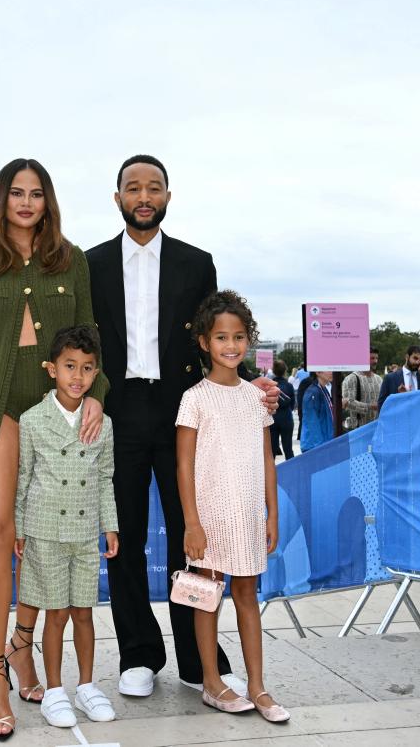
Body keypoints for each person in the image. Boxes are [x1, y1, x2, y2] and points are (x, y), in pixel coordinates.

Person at [86, 154, 276, 700]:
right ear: (117, 196)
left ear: (168, 197)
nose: (143, 196)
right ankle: (138, 654)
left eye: (154, 188)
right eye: (133, 187)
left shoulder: (198, 263)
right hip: (118, 409)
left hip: (182, 411)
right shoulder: (91, 263)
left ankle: (199, 660)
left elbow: (218, 338)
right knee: (124, 536)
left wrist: (252, 384)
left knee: (195, 539)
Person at [0, 157, 110, 739]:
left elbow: (90, 336)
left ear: (48, 202)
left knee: (44, 538)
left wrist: (97, 395)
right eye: (16, 193)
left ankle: (23, 646)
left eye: (36, 193)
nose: (26, 202)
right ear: (1, 201)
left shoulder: (72, 262)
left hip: (57, 412)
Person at [176, 290, 288, 723]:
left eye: (239, 337)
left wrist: (271, 512)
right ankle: (212, 681)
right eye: (221, 337)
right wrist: (191, 521)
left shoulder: (255, 398)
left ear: (249, 341)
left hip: (246, 515)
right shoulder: (195, 398)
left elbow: (266, 458)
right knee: (207, 595)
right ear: (204, 342)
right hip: (208, 516)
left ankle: (257, 685)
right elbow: (183, 464)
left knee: (247, 594)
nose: (230, 345)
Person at [13, 326, 119, 728]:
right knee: (55, 614)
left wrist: (110, 525)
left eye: (87, 368)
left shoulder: (102, 424)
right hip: (45, 530)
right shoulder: (33, 420)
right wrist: (21, 527)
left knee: (85, 613)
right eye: (69, 366)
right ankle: (54, 689)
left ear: (96, 375)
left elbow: (105, 476)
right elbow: (24, 478)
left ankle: (87, 685)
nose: (78, 376)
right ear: (51, 369)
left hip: (84, 532)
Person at [341, 348, 382, 429]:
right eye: (372, 358)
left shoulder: (379, 379)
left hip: (375, 428)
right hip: (356, 429)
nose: (375, 361)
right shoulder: (351, 378)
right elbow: (348, 403)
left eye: (377, 358)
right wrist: (369, 406)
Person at [377, 345, 420, 410]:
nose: (417, 362)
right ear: (407, 357)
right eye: (415, 358)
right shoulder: (390, 378)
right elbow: (381, 404)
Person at [300, 370, 335, 452]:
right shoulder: (313, 392)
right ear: (317, 372)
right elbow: (311, 422)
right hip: (315, 446)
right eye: (328, 369)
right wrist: (319, 447)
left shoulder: (323, 389)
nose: (331, 372)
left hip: (324, 442)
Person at [269, 360, 295, 460]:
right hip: (286, 418)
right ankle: (292, 471)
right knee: (288, 449)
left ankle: (271, 473)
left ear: (274, 371)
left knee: (272, 450)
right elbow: (293, 404)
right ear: (285, 371)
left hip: (273, 418)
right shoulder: (289, 386)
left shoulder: (270, 385)